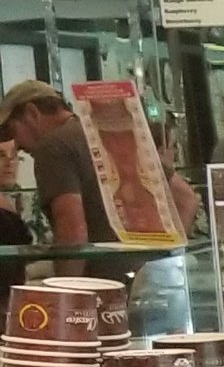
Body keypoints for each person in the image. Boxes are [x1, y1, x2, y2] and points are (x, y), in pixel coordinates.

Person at [0, 78, 198, 246]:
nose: (16, 145)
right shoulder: (107, 133)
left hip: (102, 281)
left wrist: (67, 288)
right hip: (148, 280)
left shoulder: (53, 146)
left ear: (32, 113)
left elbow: (72, 231)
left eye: (12, 130)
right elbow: (186, 199)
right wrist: (164, 261)